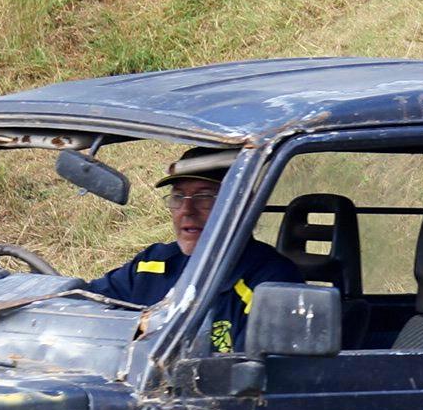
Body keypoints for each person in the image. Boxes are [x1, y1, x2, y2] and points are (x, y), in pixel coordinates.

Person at [82, 147, 304, 353]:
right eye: (178, 197)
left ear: (243, 205)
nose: (186, 210)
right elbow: (85, 310)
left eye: (204, 197)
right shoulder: (153, 264)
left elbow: (248, 379)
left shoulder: (271, 282)